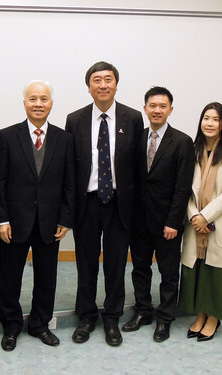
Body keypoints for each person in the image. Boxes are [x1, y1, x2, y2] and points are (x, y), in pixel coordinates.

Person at [65, 61, 143, 346]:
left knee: (115, 265)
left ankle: (112, 319)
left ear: (116, 84)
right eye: (96, 80)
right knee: (86, 265)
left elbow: (136, 168)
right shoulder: (75, 119)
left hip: (119, 204)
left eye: (108, 79)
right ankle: (86, 317)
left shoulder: (133, 118)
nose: (103, 85)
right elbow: (71, 168)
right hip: (87, 204)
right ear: (89, 87)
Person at [0, 80, 75, 351]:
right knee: (9, 277)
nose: (38, 104)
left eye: (43, 99)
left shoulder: (65, 139)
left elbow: (69, 183)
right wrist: (2, 220)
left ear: (51, 103)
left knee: (47, 276)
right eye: (32, 99)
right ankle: (11, 325)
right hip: (14, 223)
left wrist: (65, 218)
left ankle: (40, 324)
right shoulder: (6, 136)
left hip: (50, 223)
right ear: (24, 102)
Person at [122, 86, 195, 342]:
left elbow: (183, 186)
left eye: (162, 106)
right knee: (140, 269)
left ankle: (164, 318)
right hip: (138, 220)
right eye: (152, 106)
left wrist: (174, 220)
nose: (157, 110)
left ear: (170, 110)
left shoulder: (183, 141)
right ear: (145, 109)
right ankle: (143, 311)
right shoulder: (136, 138)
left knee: (168, 272)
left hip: (168, 223)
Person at [178, 102, 222, 342]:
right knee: (196, 270)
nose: (209, 123)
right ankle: (200, 314)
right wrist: (194, 215)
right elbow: (184, 187)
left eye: (215, 119)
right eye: (206, 118)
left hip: (219, 223)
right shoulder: (193, 149)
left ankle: (213, 318)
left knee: (216, 272)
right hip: (195, 222)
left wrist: (205, 216)